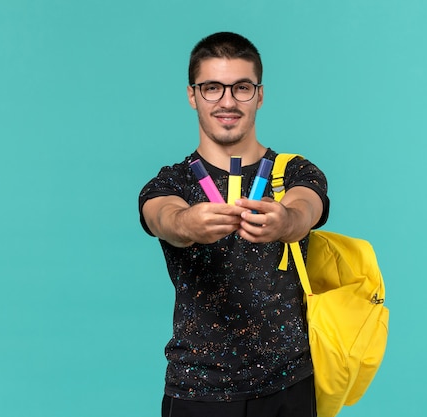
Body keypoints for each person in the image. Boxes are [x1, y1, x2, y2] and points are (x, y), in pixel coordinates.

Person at [138, 32, 330, 417]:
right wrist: (188, 223)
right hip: (197, 392)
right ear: (192, 95)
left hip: (289, 387)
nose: (227, 101)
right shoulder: (173, 181)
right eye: (212, 88)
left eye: (241, 87)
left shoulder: (293, 171)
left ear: (259, 95)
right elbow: (161, 216)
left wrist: (285, 221)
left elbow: (306, 208)